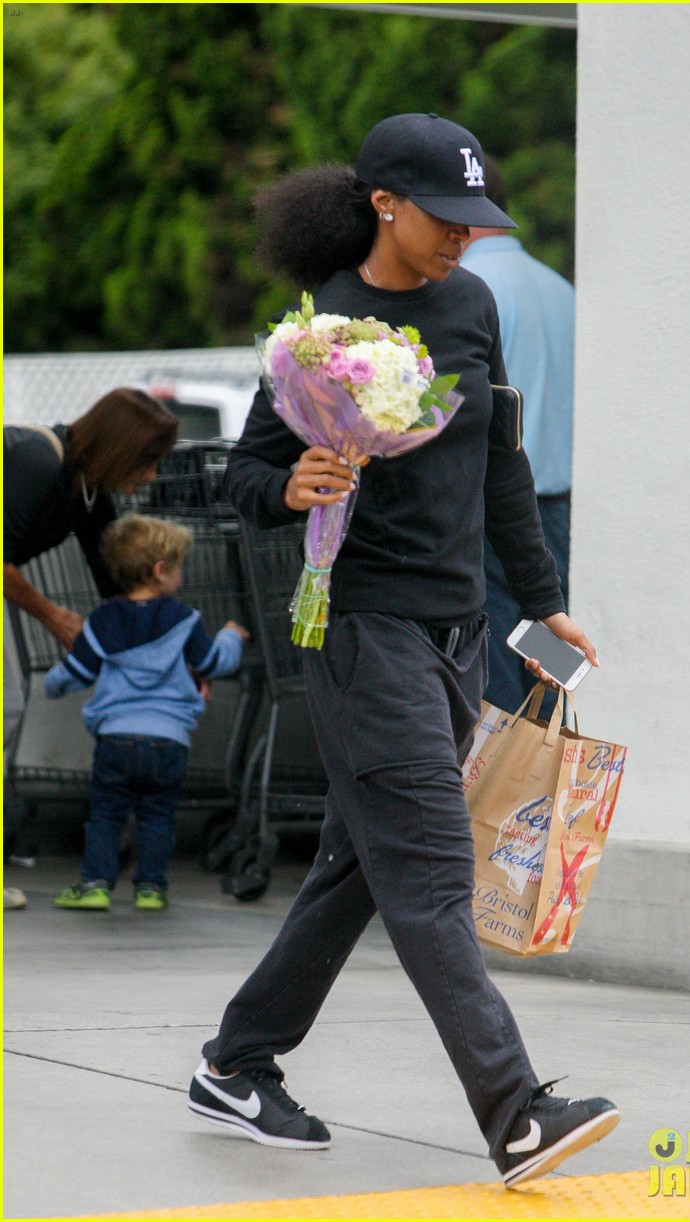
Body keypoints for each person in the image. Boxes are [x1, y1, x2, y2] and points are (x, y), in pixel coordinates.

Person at [189, 113, 618, 1188]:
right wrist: (290, 486)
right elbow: (242, 473)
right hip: (357, 627)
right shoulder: (325, 324)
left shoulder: (470, 305)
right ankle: (516, 1112)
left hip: (454, 627)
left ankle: (235, 1064)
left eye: (479, 221)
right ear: (384, 201)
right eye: (447, 218)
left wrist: (545, 600)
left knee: (358, 866)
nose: (465, 240)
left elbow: (501, 466)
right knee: (428, 867)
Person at [43, 514, 248, 911]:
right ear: (160, 572)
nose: (181, 576)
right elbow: (214, 663)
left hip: (116, 740)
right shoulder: (184, 620)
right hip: (169, 741)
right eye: (179, 567)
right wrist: (231, 636)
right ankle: (151, 888)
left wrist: (52, 685)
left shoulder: (103, 619)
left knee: (105, 814)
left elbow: (76, 672)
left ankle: (97, 884)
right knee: (157, 815)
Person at [461, 155, 576, 715]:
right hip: (557, 506)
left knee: (495, 664)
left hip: (494, 505)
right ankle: (543, 787)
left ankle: (496, 795)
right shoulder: (561, 288)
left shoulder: (466, 289)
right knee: (546, 665)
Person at [4, 388, 179, 652]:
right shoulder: (37, 461)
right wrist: (54, 617)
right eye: (147, 461)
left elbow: (115, 586)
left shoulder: (91, 492)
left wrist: (171, 655)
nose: (151, 476)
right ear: (118, 451)